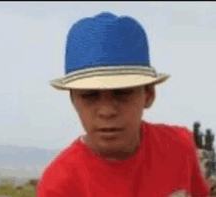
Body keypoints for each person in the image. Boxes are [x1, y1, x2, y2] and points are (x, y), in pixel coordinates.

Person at [37, 12, 210, 197]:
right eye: (90, 95)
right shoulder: (60, 185)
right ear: (73, 99)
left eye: (122, 93)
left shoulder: (183, 148)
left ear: (149, 94)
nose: (107, 111)